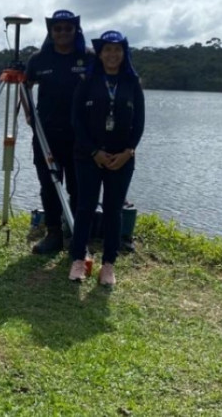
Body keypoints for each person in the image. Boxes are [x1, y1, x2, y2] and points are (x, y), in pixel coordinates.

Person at [68, 30, 145, 286]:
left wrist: (128, 151)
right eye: (107, 50)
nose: (112, 55)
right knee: (85, 207)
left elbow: (140, 123)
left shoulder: (132, 83)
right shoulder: (87, 81)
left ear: (124, 54)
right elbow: (76, 121)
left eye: (118, 50)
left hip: (121, 159)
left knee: (114, 211)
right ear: (99, 54)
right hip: (88, 156)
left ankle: (108, 265)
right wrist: (94, 152)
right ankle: (78, 260)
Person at [24, 10, 92, 254]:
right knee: (49, 185)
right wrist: (29, 114)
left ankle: (76, 235)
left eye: (68, 28)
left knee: (78, 188)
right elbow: (26, 86)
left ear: (76, 30)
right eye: (57, 28)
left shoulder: (88, 57)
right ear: (50, 32)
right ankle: (53, 234)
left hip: (80, 137)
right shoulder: (39, 59)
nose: (62, 33)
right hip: (46, 136)